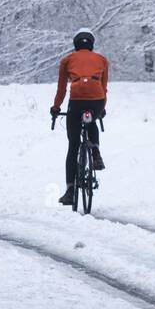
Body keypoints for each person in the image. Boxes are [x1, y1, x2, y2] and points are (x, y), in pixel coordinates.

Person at [51, 28, 109, 205]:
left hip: (76, 102)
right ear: (92, 44)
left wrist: (56, 107)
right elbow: (103, 86)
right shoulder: (102, 60)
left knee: (73, 146)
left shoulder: (67, 60)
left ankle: (70, 191)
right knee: (91, 119)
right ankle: (96, 152)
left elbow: (61, 89)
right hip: (96, 100)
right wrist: (102, 109)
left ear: (75, 44)